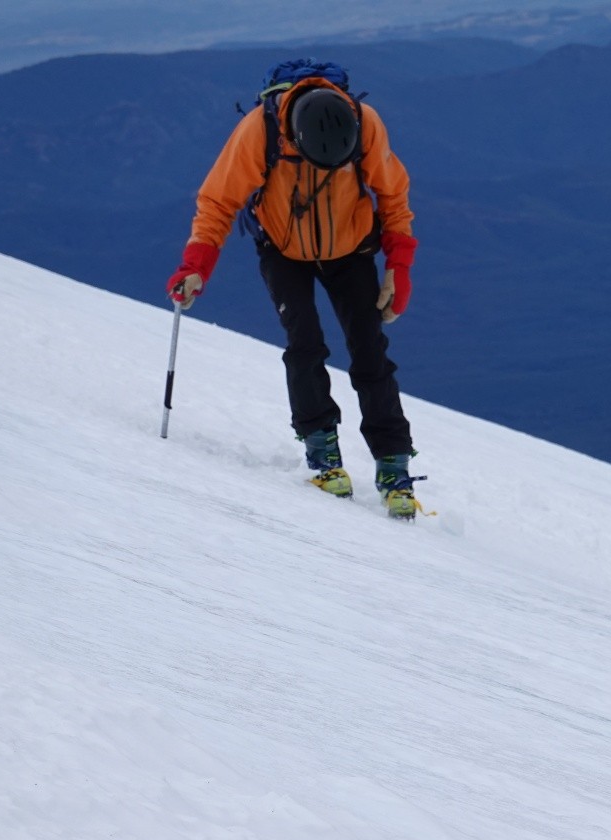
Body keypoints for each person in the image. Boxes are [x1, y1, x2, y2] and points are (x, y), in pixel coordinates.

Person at [165, 59, 423, 518]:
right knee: (304, 343)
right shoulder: (259, 132)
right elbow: (218, 201)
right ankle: (322, 450)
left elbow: (393, 195)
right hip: (283, 251)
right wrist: (195, 266)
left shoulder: (366, 126)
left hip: (351, 249)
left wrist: (397, 268)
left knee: (369, 350)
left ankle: (393, 464)